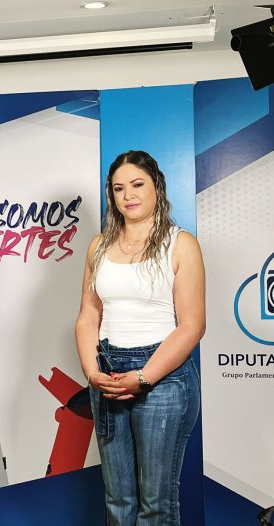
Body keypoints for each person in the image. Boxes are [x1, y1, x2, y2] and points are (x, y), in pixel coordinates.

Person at [75, 150, 205, 525]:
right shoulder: (98, 246)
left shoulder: (181, 244)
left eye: (137, 185)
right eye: (119, 188)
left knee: (156, 503)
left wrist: (145, 377)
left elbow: (192, 325)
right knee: (118, 501)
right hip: (108, 374)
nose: (128, 195)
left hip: (163, 378)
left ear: (156, 187)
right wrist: (92, 372)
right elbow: (87, 317)